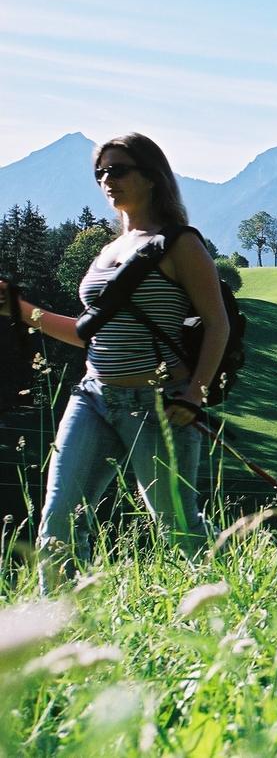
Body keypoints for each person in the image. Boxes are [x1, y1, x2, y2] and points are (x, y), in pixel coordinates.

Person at [0, 133, 228, 591]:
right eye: (101, 172)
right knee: (60, 517)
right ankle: (60, 631)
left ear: (151, 175)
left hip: (159, 403)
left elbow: (217, 324)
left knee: (178, 527)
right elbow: (87, 335)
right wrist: (20, 309)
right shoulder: (109, 250)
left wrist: (194, 393)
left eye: (119, 169)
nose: (108, 180)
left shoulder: (179, 243)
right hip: (94, 395)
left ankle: (227, 615)